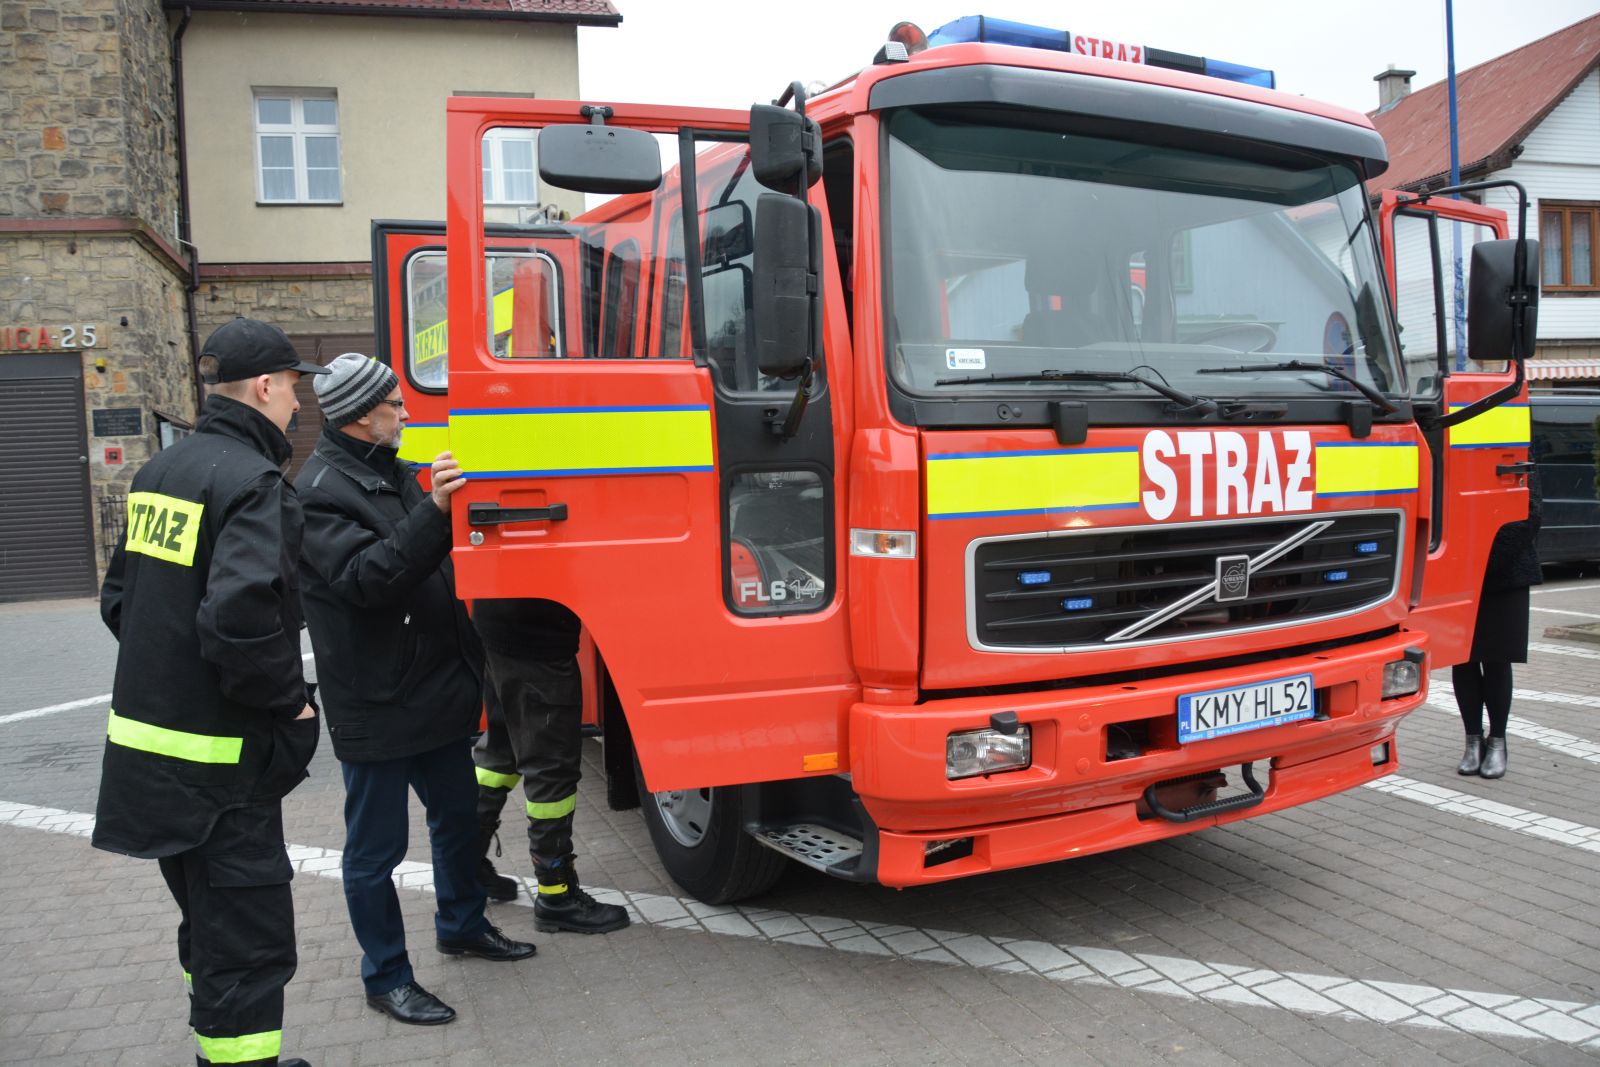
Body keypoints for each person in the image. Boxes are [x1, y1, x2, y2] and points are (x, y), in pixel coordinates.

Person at [94, 317, 327, 1067]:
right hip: (224, 766)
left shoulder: (162, 472)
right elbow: (240, 618)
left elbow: (121, 602)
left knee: (208, 922)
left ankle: (220, 1046)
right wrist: (289, 701)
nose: (296, 405)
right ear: (264, 386)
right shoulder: (255, 482)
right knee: (248, 936)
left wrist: (174, 671)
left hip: (153, 756)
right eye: (293, 388)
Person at [295, 353, 535, 1028]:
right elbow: (371, 580)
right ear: (361, 415)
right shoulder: (318, 491)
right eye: (395, 404)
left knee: (458, 821)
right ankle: (387, 976)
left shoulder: (392, 472)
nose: (404, 412)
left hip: (433, 691)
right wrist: (434, 508)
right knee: (375, 852)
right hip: (375, 702)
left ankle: (462, 925)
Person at [472, 599, 630, 934]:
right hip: (537, 640)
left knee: (501, 754)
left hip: (499, 625)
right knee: (551, 772)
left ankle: (466, 863)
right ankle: (556, 895)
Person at [1455, 473, 1542, 780]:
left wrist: (1484, 557)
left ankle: (1498, 743)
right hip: (1459, 571)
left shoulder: (1517, 452)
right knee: (1463, 660)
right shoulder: (1453, 448)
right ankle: (1472, 741)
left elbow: (1530, 514)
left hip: (1505, 573)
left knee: (1497, 660)